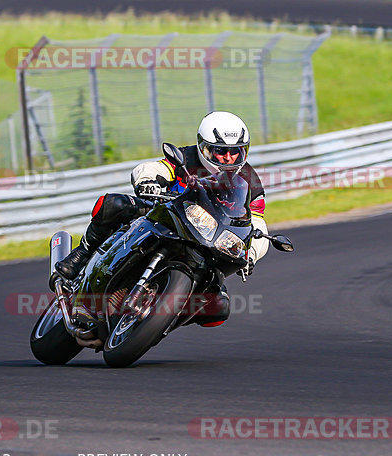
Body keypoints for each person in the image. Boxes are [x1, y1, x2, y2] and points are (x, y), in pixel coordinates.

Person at [53, 111, 269, 332]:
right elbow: (152, 168)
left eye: (235, 152)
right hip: (166, 214)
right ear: (203, 147)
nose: (228, 158)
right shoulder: (187, 157)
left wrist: (251, 253)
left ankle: (158, 322)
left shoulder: (250, 181)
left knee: (218, 309)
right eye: (220, 151)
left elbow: (258, 223)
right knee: (113, 205)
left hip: (209, 238)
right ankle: (81, 255)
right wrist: (148, 182)